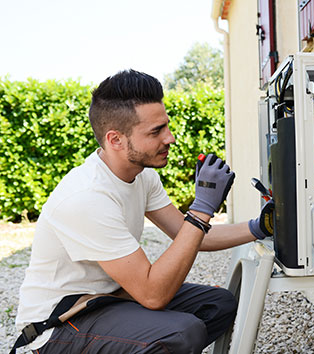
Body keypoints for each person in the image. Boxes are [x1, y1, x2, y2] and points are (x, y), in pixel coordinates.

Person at [12, 69, 274, 354]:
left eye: (166, 126)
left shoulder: (142, 175)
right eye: (156, 131)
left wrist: (260, 227)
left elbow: (193, 236)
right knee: (180, 332)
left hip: (111, 299)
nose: (170, 138)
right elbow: (153, 295)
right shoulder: (87, 197)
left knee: (218, 304)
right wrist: (201, 210)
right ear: (115, 140)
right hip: (58, 327)